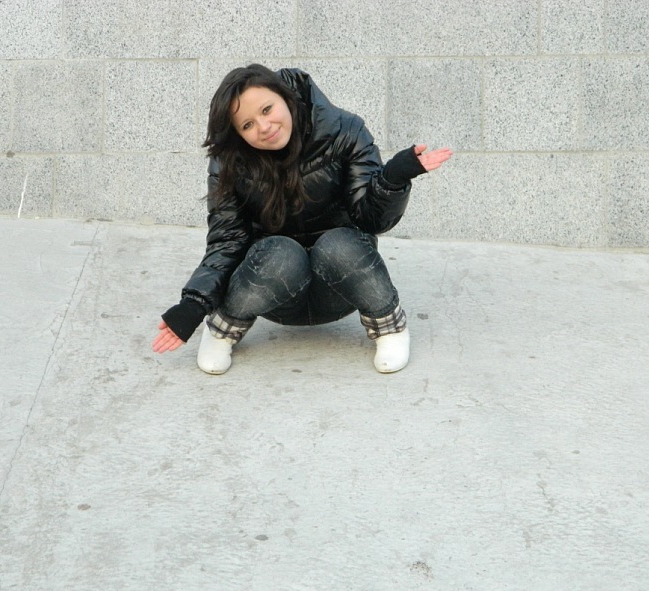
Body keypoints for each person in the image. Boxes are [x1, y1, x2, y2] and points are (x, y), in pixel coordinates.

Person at [152, 64, 452, 375]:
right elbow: (227, 240)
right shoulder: (230, 161)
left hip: (342, 286)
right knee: (281, 252)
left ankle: (389, 325)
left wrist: (392, 179)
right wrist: (194, 303)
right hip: (273, 291)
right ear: (237, 134)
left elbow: (371, 220)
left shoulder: (345, 131)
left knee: (339, 244)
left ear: (286, 97)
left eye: (267, 109)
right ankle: (223, 329)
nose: (264, 126)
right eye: (248, 125)